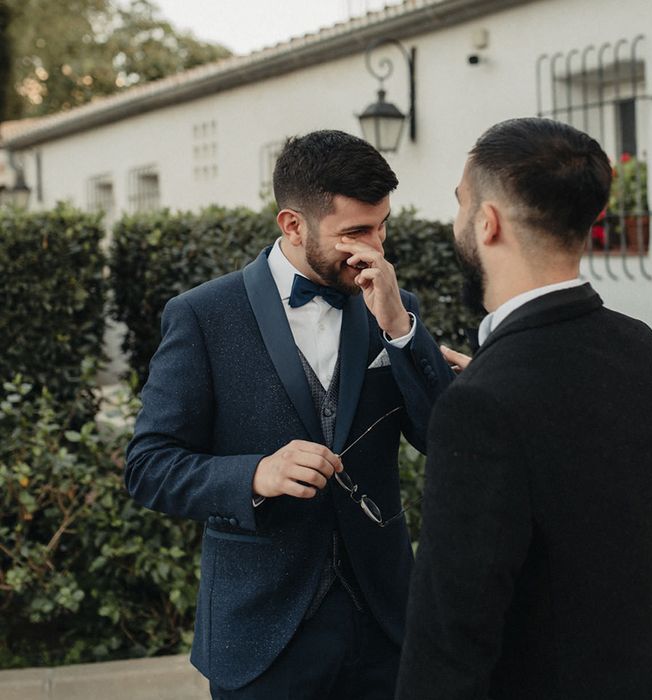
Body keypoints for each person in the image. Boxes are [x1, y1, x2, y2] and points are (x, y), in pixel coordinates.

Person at [125, 129, 453, 700]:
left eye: (382, 228)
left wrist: (401, 331)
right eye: (355, 232)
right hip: (263, 633)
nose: (374, 249)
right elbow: (148, 466)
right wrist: (255, 474)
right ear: (293, 225)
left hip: (384, 618)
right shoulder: (203, 316)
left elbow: (440, 437)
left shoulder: (395, 307)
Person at [396, 118, 652, 700]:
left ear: (487, 222)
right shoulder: (638, 344)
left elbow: (450, 641)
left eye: (460, 203)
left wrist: (494, 397)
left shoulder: (482, 405)